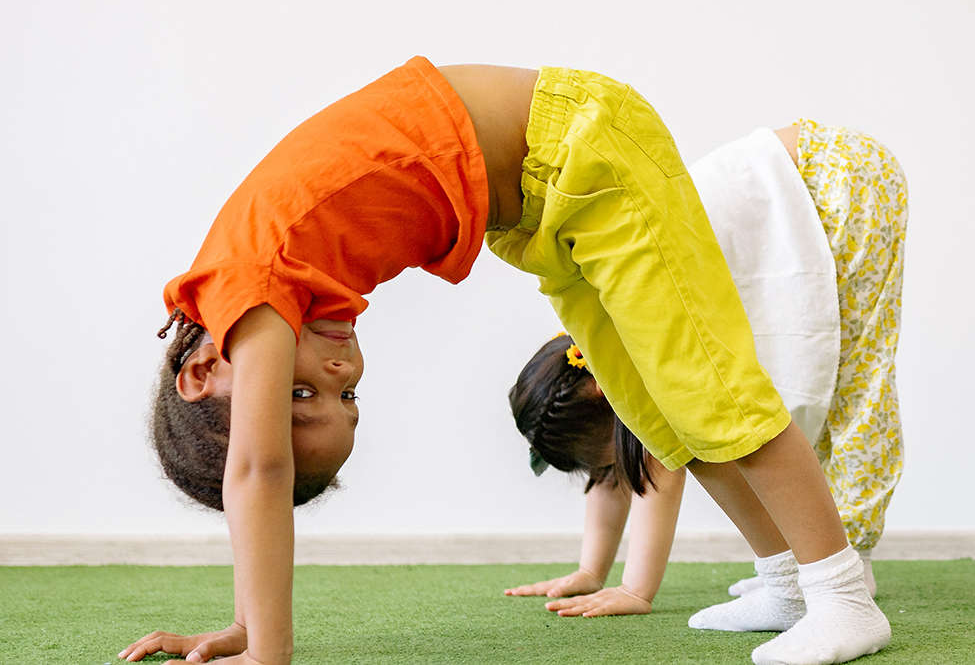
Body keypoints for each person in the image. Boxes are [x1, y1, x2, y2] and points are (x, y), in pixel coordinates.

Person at [125, 59, 888, 665]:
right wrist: (242, 624)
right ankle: (786, 583)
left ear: (201, 373)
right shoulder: (253, 287)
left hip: (582, 147)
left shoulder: (249, 292)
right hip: (540, 207)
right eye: (349, 401)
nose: (340, 378)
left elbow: (258, 471)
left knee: (710, 387)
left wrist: (265, 648)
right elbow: (260, 463)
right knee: (662, 414)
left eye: (292, 393)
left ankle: (842, 596)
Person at [502, 121, 904, 617]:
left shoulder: (636, 337)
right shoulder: (595, 345)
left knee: (853, 378)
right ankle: (813, 563)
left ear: (605, 399)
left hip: (840, 180)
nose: (622, 470)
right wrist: (590, 572)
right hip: (807, 180)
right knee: (817, 379)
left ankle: (849, 559)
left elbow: (660, 470)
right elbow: (618, 472)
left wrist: (636, 590)